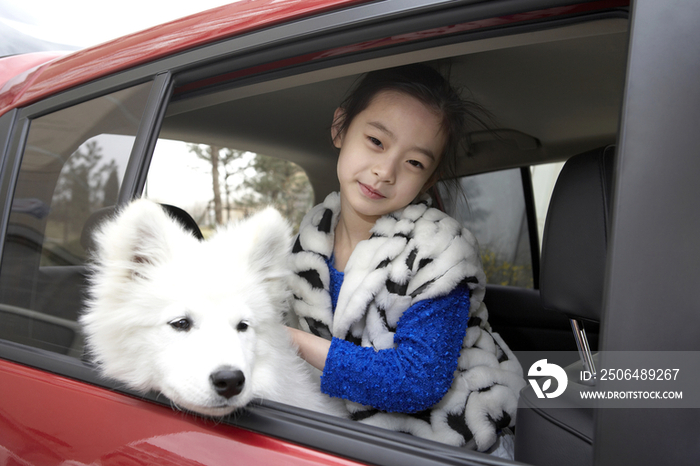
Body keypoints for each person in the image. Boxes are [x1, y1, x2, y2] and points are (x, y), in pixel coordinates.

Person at [286, 64, 525, 456]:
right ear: (340, 128)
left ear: (428, 180)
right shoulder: (309, 240)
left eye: (414, 163)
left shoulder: (439, 250)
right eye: (377, 141)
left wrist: (293, 342)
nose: (385, 171)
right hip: (357, 444)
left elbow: (418, 381)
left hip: (456, 446)